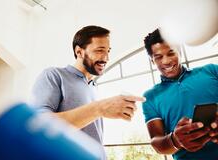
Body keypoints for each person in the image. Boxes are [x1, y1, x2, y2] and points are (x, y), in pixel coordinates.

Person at [31, 25, 145, 159]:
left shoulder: (93, 86)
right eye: (99, 50)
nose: (106, 58)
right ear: (79, 52)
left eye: (108, 51)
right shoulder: (54, 75)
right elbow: (39, 126)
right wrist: (100, 108)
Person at [142, 28, 218, 160]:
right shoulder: (150, 97)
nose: (166, 61)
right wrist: (175, 140)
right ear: (152, 61)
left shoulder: (211, 71)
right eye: (158, 57)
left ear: (180, 51)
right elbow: (156, 142)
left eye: (171, 53)